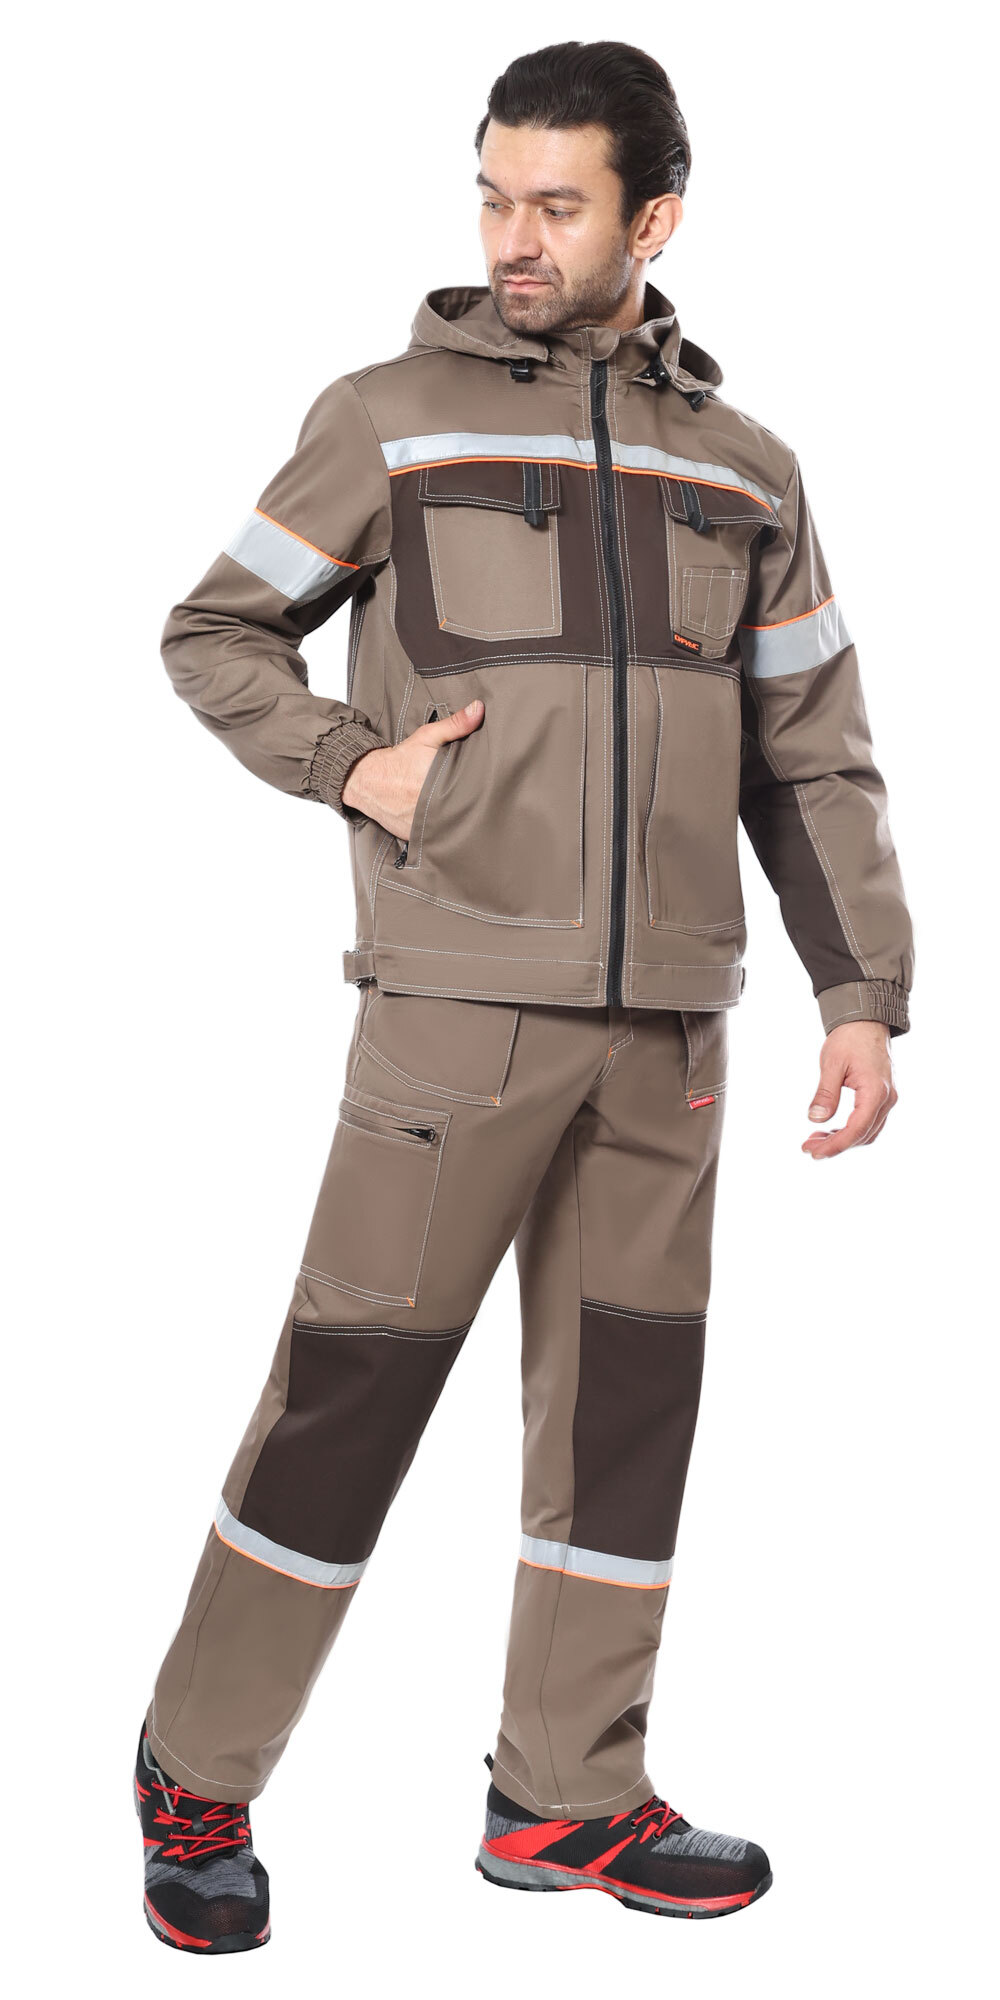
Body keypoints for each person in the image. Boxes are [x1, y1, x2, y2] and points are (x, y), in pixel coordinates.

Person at [135, 39, 914, 1951]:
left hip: (672, 1028)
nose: (514, 238)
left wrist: (860, 990)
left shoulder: (747, 469)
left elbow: (811, 752)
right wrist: (354, 765)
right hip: (455, 1006)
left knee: (626, 1416)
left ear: (656, 220)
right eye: (494, 196)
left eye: (557, 205)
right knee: (350, 1400)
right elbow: (214, 631)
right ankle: (195, 1774)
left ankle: (567, 1792)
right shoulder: (388, 418)